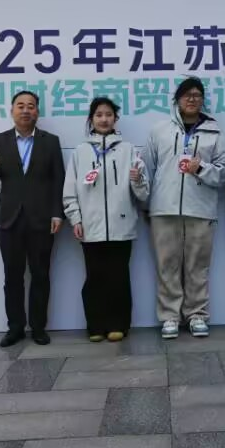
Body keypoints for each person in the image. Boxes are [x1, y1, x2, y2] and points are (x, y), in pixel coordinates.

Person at [144, 77, 225, 339]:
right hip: (164, 209)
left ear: (203, 100)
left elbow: (224, 173)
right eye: (186, 95)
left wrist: (200, 168)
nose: (192, 99)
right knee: (167, 266)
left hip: (201, 209)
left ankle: (196, 315)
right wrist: (147, 206)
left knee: (197, 267)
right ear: (177, 99)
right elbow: (148, 170)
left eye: (197, 95)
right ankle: (170, 316)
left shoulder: (215, 132)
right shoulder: (160, 130)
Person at [0, 90, 66, 348]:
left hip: (42, 219)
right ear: (12, 111)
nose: (26, 110)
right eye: (21, 105)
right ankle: (15, 327)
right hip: (9, 221)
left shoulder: (50, 142)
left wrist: (57, 213)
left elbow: (58, 180)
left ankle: (38, 327)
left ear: (37, 112)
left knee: (41, 274)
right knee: (12, 276)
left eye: (31, 106)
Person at [63, 98, 150, 343]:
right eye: (99, 115)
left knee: (119, 277)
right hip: (90, 227)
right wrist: (76, 218)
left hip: (122, 226)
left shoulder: (129, 150)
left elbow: (143, 194)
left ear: (115, 119)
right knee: (95, 277)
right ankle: (95, 325)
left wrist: (137, 180)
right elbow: (70, 191)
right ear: (91, 119)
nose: (104, 119)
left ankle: (118, 324)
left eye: (109, 114)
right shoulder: (80, 152)